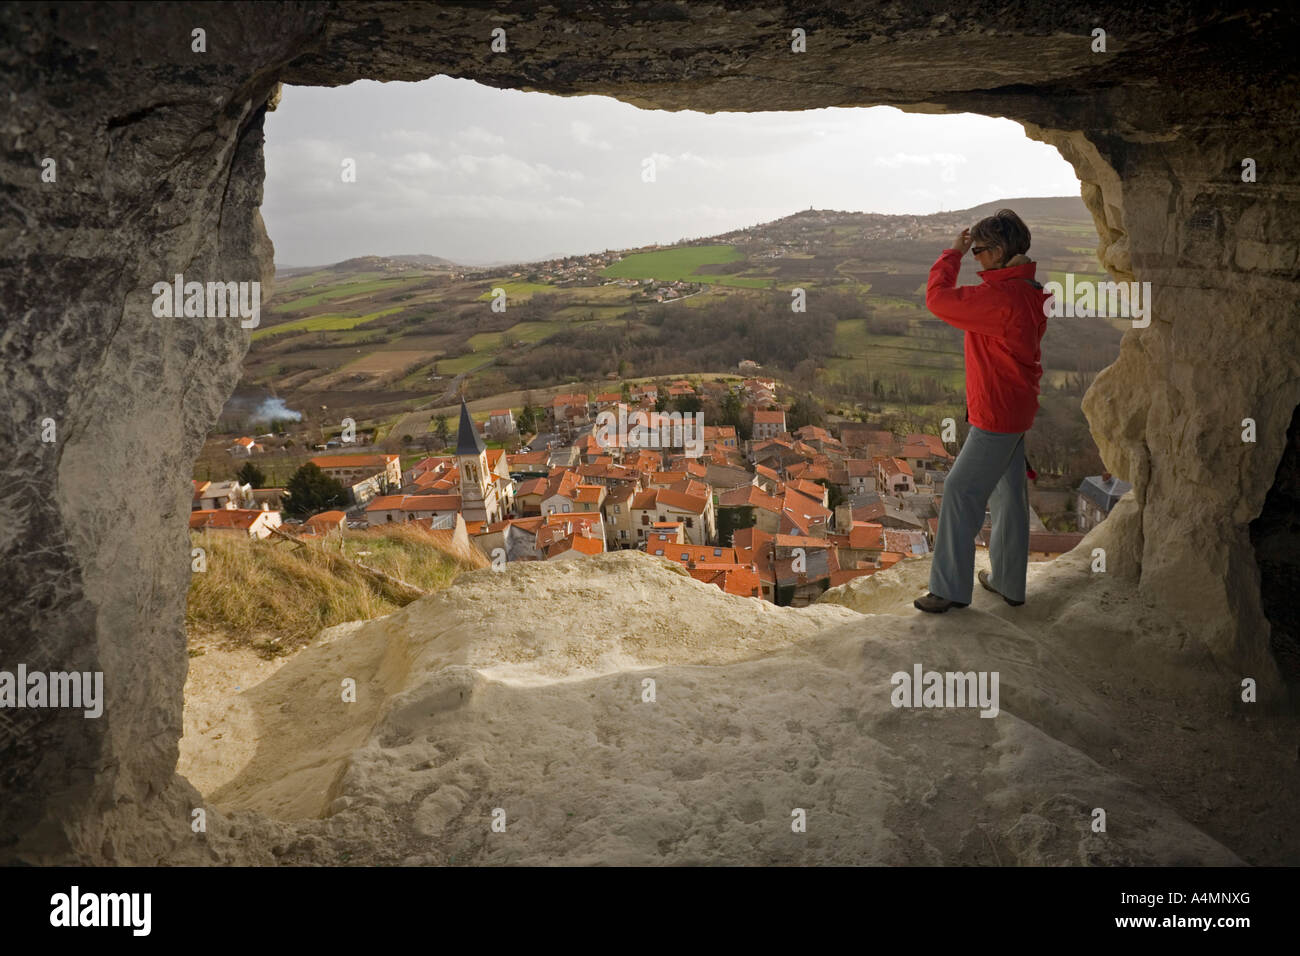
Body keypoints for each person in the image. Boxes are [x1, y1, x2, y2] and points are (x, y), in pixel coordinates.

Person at [914, 209, 1051, 613]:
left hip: (996, 414)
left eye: (977, 252)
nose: (975, 258)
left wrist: (951, 253)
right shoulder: (1028, 290)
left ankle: (949, 590)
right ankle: (1009, 583)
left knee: (960, 491)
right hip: (1016, 407)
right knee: (1008, 496)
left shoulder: (1001, 299)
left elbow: (937, 299)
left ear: (997, 251)